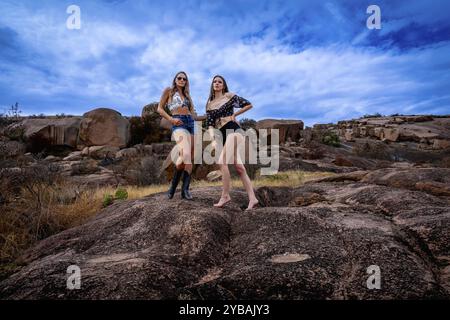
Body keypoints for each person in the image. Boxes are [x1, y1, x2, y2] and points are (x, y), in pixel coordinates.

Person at [206, 75, 259, 210]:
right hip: (223, 135)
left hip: (234, 131)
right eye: (215, 82)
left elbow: (248, 104)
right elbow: (210, 124)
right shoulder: (209, 104)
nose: (217, 83)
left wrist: (235, 115)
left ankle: (225, 196)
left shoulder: (229, 96)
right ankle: (253, 198)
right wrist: (213, 140)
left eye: (220, 82)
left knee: (222, 161)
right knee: (239, 168)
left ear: (223, 85)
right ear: (212, 85)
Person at [157, 71, 197, 200]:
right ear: (175, 80)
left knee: (187, 158)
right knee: (185, 155)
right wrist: (171, 119)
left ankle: (182, 190)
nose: (182, 80)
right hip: (178, 122)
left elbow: (193, 115)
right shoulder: (169, 91)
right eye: (179, 78)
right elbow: (159, 109)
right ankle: (176, 188)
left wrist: (212, 116)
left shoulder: (187, 96)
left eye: (184, 79)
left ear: (186, 82)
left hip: (190, 123)